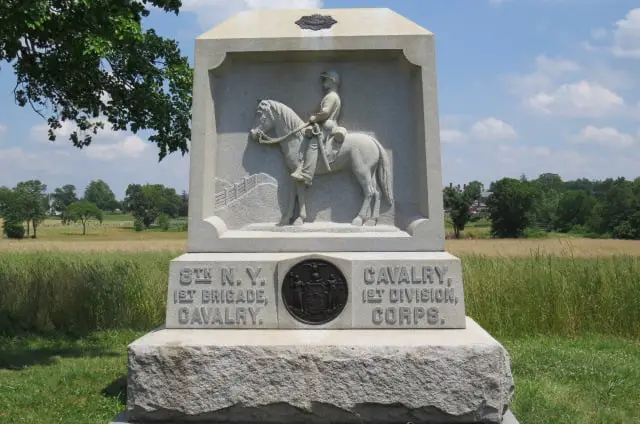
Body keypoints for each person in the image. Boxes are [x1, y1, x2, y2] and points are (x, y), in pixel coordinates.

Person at [291, 70, 346, 186]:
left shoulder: (331, 96)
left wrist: (314, 118)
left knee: (314, 143)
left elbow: (325, 112)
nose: (323, 82)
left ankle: (307, 175)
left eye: (325, 79)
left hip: (327, 126)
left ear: (333, 81)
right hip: (326, 124)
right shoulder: (331, 96)